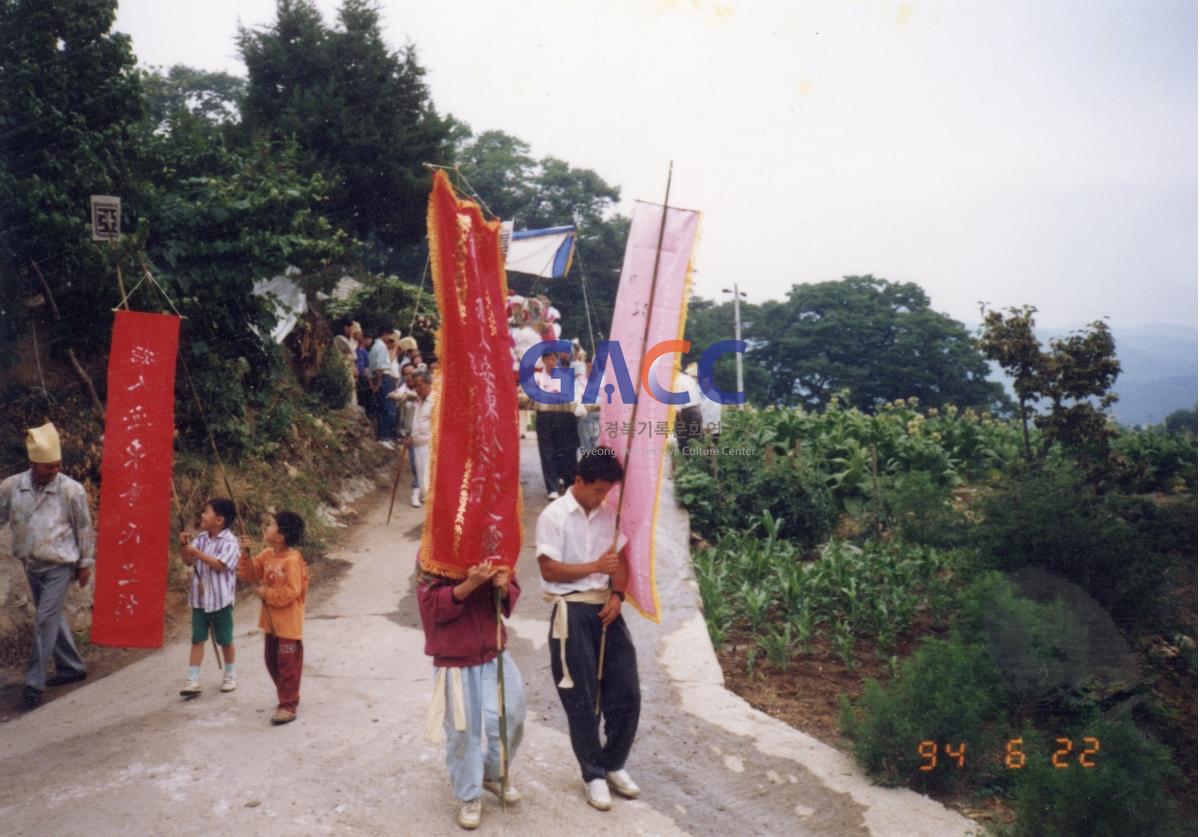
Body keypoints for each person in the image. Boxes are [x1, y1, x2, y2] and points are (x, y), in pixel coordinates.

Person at [536, 448, 640, 811]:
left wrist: (618, 594)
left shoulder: (610, 515)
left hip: (606, 609)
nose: (602, 497)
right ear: (578, 481)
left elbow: (620, 563)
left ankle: (614, 763)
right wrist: (594, 565)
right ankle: (593, 773)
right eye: (597, 490)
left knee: (626, 690)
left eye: (607, 491)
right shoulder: (554, 516)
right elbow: (549, 570)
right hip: (572, 610)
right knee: (582, 699)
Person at [417, 556, 525, 830]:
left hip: (493, 648)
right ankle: (469, 794)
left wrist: (502, 585)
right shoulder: (433, 551)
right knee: (463, 732)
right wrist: (469, 584)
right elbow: (431, 608)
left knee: (512, 714)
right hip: (454, 654)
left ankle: (493, 774)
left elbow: (510, 591)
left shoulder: (493, 542)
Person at [0, 422, 93, 709]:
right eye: (48, 466)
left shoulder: (71, 490)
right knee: (51, 618)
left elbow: (84, 529)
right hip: (31, 564)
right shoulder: (12, 487)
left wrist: (85, 563)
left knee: (43, 620)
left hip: (60, 565)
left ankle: (33, 683)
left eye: (57, 465)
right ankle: (72, 667)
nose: (54, 470)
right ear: (33, 464)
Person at [238, 511, 309, 725]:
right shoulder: (267, 555)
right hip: (271, 624)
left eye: (272, 525)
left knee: (287, 664)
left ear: (280, 537)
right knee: (271, 661)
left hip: (288, 624)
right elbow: (250, 574)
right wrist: (246, 553)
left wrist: (266, 594)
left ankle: (288, 705)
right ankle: (288, 694)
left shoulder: (292, 561)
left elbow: (292, 591)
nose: (267, 527)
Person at [177, 497, 240, 697]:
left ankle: (230, 674)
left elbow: (220, 565)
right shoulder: (202, 539)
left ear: (219, 520)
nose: (202, 515)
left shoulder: (230, 542)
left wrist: (195, 551)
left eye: (206, 512)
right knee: (197, 639)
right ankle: (193, 679)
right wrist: (184, 546)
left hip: (220, 600)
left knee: (225, 639)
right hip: (200, 600)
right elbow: (188, 561)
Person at [534, 352, 580, 499]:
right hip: (545, 417)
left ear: (557, 360)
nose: (550, 362)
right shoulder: (537, 377)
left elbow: (575, 394)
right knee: (547, 452)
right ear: (543, 361)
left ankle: (569, 485)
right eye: (547, 359)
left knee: (566, 451)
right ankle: (552, 488)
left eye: (553, 359)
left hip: (564, 416)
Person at [405, 369, 436, 507]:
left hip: (431, 447)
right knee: (424, 486)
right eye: (414, 386)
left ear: (429, 384)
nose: (417, 389)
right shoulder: (418, 400)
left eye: (419, 385)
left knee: (429, 484)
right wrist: (411, 437)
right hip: (417, 445)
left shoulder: (436, 401)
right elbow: (417, 423)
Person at [369, 327, 399, 448]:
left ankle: (384, 436)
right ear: (385, 334)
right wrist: (379, 382)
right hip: (384, 378)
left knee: (384, 408)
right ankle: (384, 437)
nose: (390, 338)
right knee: (388, 408)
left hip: (381, 378)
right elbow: (379, 367)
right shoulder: (381, 347)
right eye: (389, 335)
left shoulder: (375, 347)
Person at [332, 318, 360, 408]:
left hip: (348, 367)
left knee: (351, 391)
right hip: (343, 367)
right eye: (351, 328)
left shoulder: (348, 340)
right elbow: (352, 353)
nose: (353, 331)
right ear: (346, 328)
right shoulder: (339, 338)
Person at [355, 331, 374, 418]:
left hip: (363, 377)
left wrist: (369, 380)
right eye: (369, 339)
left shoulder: (366, 352)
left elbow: (367, 367)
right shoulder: (356, 350)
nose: (370, 341)